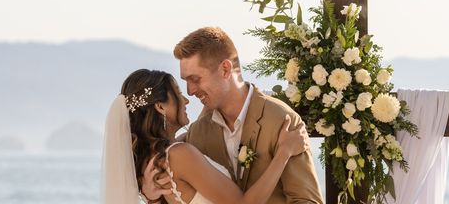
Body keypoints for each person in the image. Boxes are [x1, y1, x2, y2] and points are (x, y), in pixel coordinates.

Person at [143, 27, 324, 204]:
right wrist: (152, 196)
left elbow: (307, 200)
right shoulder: (198, 132)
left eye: (196, 79)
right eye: (186, 81)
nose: (190, 91)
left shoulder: (281, 120)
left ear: (225, 69)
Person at [101, 68, 310, 204]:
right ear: (160, 106)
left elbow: (194, 129)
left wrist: (216, 94)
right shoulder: (180, 155)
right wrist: (284, 153)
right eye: (177, 93)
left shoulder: (150, 163)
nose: (186, 100)